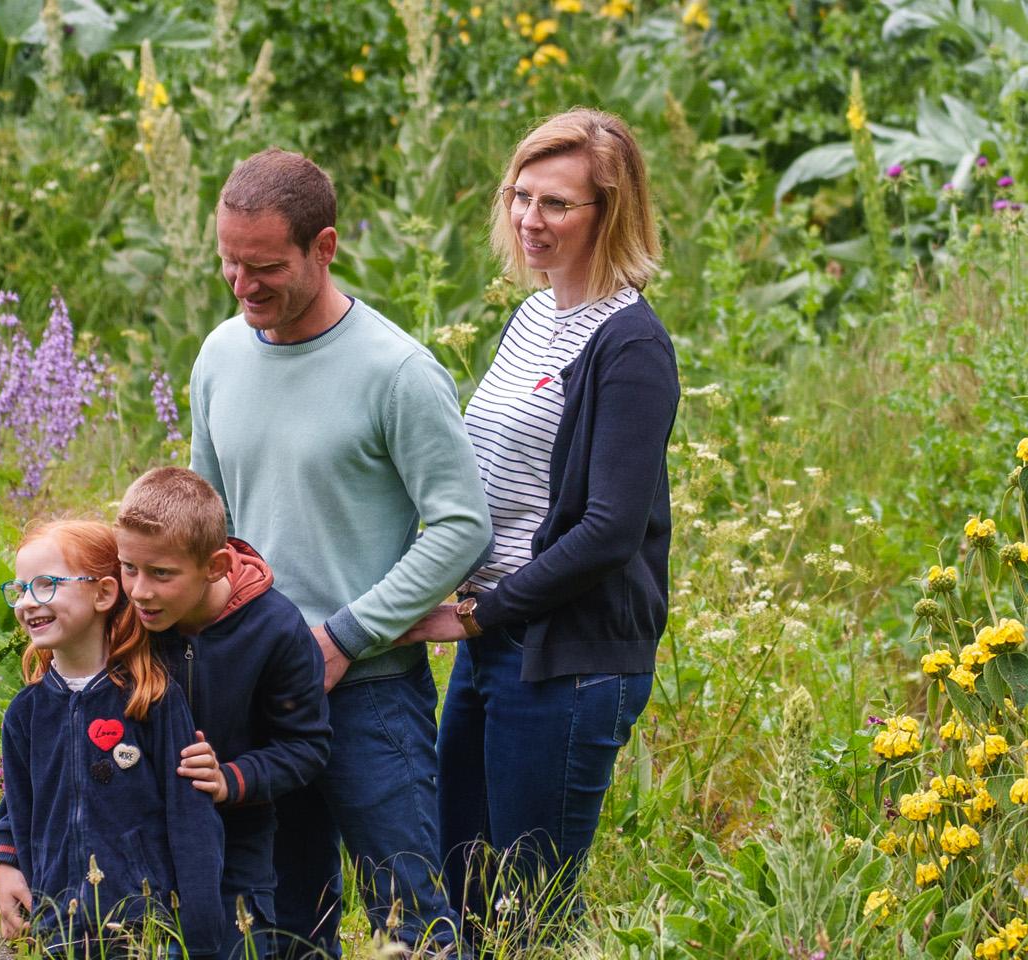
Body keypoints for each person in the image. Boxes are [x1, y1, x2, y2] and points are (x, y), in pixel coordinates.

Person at [189, 147, 494, 955]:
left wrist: (342, 638)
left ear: (324, 248)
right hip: (259, 697)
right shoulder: (219, 356)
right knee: (282, 920)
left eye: (265, 267)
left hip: (369, 695)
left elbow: (463, 526)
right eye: (228, 264)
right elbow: (206, 526)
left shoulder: (396, 372)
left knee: (414, 922)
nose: (243, 286)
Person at [399, 107, 678, 950]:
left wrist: (482, 612)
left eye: (557, 204)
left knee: (530, 915)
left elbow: (607, 531)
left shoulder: (631, 344)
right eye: (521, 196)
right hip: (498, 645)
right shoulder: (530, 319)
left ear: (610, 212)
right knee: (467, 886)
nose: (529, 219)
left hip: (569, 658)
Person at [114, 466, 333, 957]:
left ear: (214, 566)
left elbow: (306, 745)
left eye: (161, 574)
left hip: (239, 841)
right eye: (129, 567)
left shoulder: (276, 629)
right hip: (137, 839)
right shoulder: (120, 616)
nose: (140, 590)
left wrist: (230, 779)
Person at [0, 520, 228, 957]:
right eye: (20, 588)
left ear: (103, 593)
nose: (28, 602)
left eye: (46, 585)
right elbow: (17, 805)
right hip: (58, 929)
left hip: (146, 932)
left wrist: (200, 938)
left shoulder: (151, 698)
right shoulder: (25, 714)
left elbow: (192, 822)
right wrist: (5, 861)